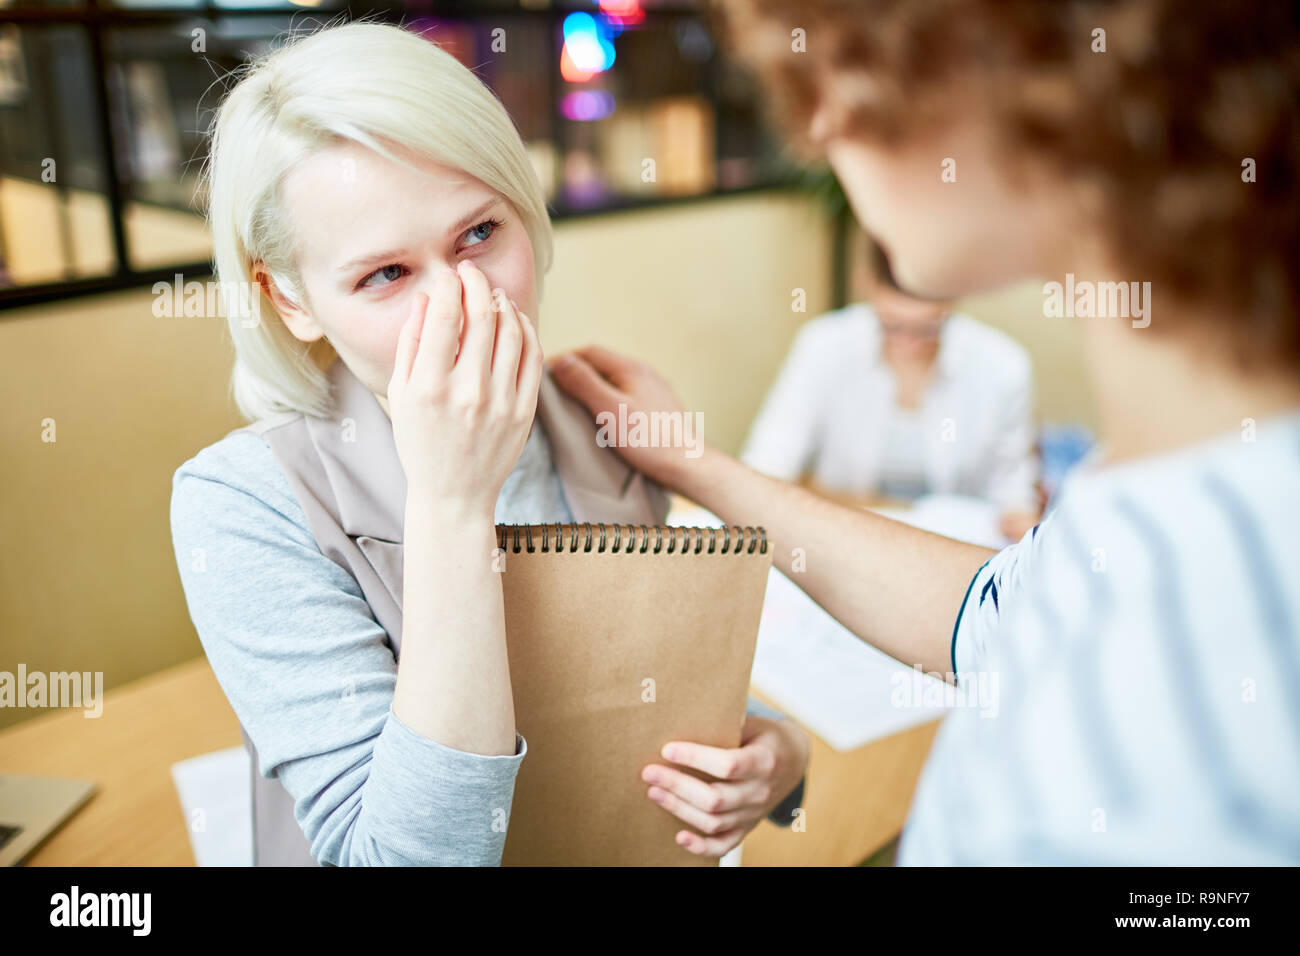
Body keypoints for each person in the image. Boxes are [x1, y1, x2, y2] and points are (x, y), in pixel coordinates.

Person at [551, 0, 1300, 864]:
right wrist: (694, 466)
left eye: (844, 73)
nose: (820, 131)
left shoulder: (1194, 632)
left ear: (1033, 62)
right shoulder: (1178, 488)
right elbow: (990, 614)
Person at [169, 21, 808, 867]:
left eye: (479, 234)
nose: (463, 302)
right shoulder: (241, 503)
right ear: (287, 299)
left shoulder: (602, 418)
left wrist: (776, 758)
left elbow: (652, 691)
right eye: (386, 276)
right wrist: (452, 502)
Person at [742, 240, 1041, 538]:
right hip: (847, 535)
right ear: (868, 286)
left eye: (927, 328)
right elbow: (768, 463)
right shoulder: (824, 345)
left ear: (955, 299)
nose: (909, 344)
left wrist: (1019, 517)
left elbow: (1013, 491)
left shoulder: (1003, 365)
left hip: (953, 546)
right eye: (893, 325)